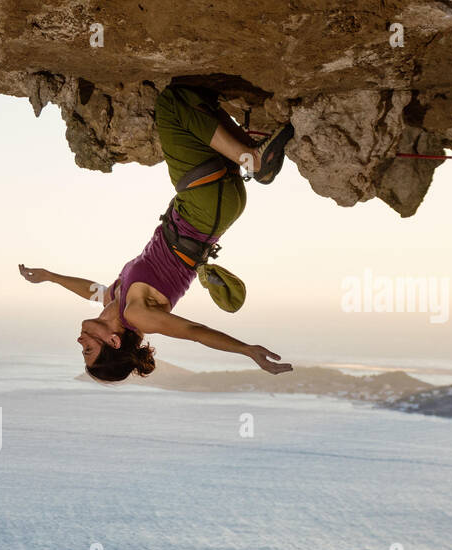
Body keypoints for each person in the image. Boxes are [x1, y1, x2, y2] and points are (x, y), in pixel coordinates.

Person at [19, 83, 296, 382]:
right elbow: (194, 333)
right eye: (87, 350)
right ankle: (252, 159)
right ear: (113, 341)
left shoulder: (117, 300)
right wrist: (246, 350)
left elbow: (91, 290)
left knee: (193, 102)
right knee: (171, 103)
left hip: (211, 204)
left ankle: (252, 150)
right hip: (202, 207)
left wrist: (49, 276)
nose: (79, 343)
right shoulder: (138, 316)